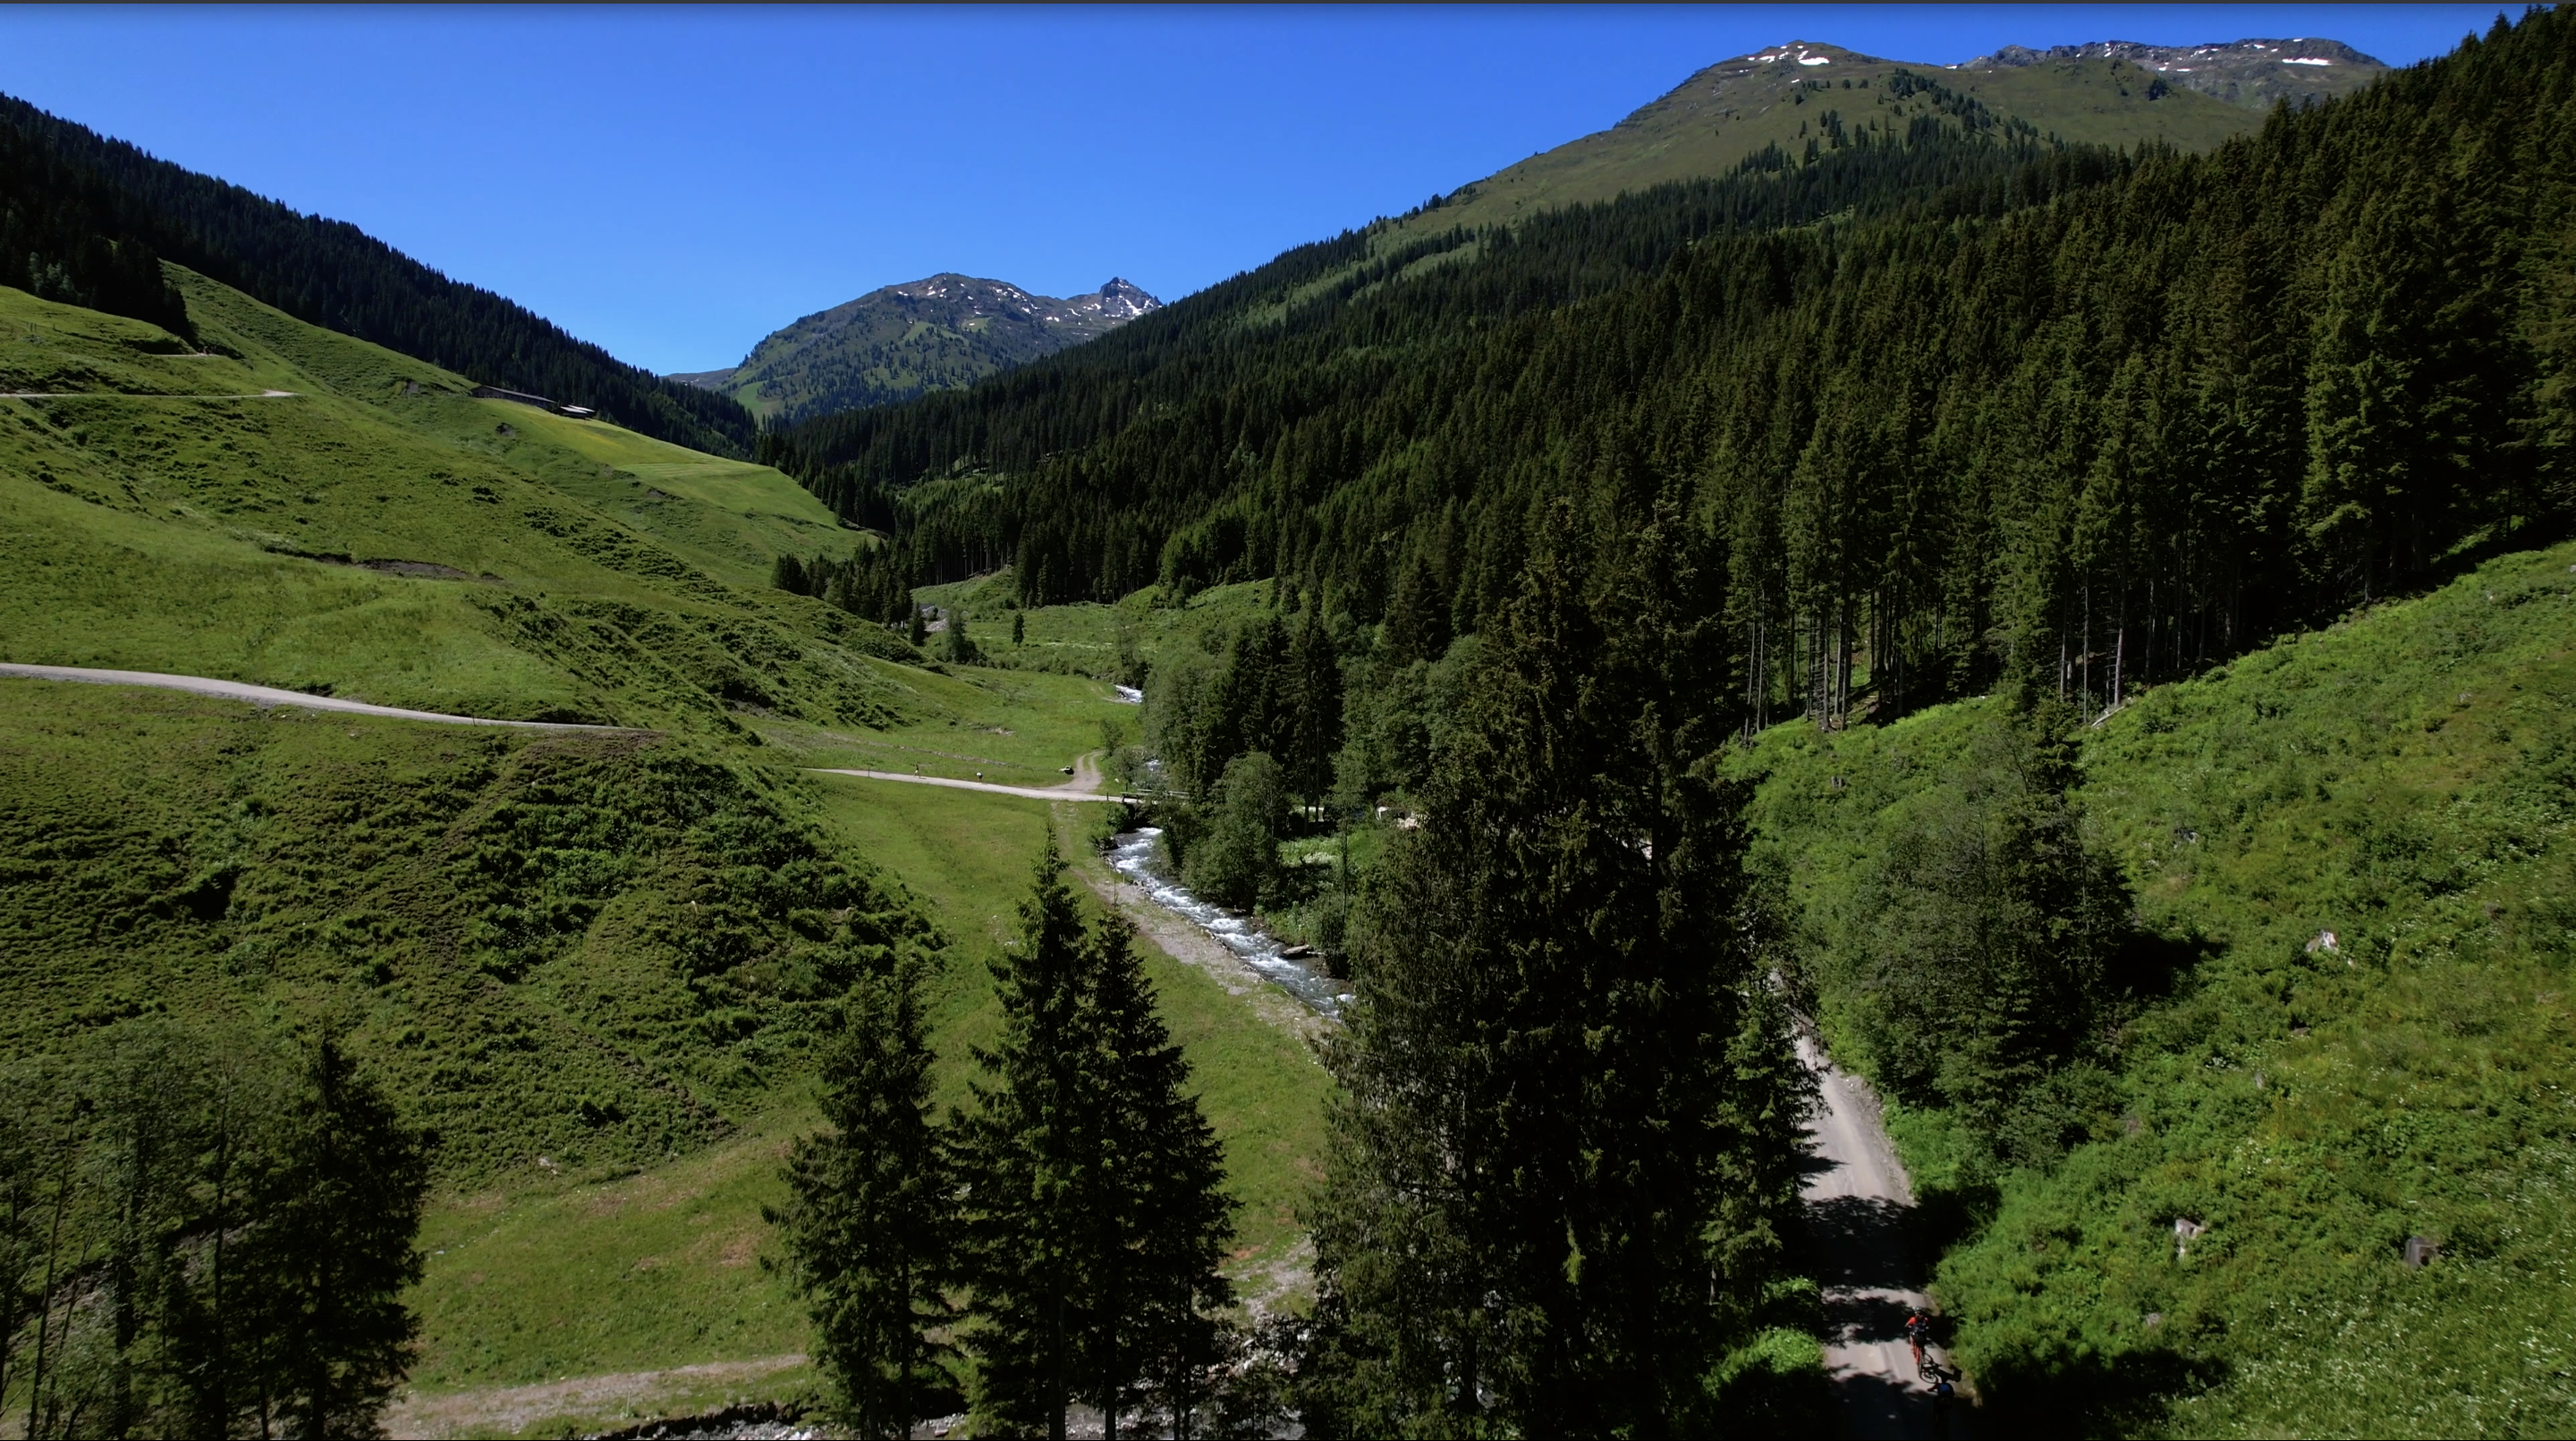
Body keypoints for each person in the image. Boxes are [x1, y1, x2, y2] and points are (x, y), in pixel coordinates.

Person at [1905, 1311, 1931, 1375]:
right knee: (1922, 1345)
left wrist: (1908, 1327)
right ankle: (1923, 1355)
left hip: (1915, 1336)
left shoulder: (1913, 1319)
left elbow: (1907, 1325)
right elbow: (1928, 1326)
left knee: (1912, 1339)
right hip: (1922, 1337)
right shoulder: (1925, 1320)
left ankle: (1912, 1348)